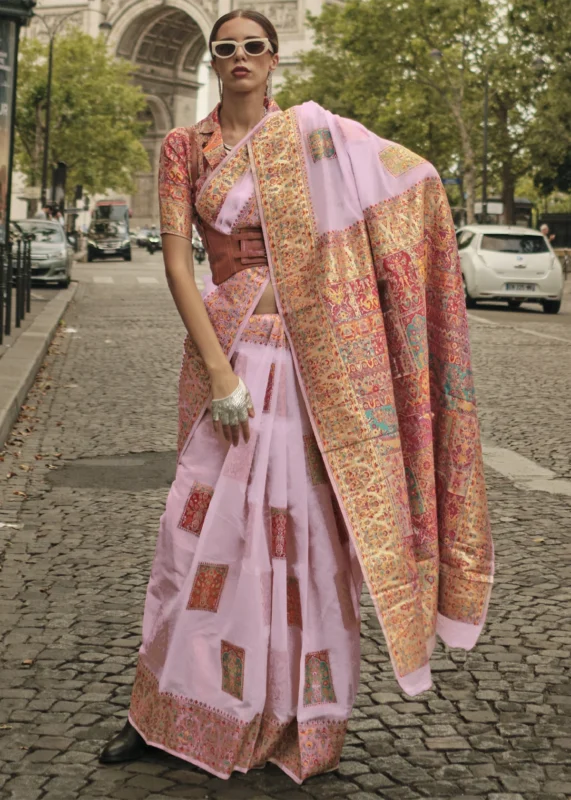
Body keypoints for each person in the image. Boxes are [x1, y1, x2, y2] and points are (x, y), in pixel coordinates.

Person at [100, 8, 494, 783]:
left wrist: (427, 198)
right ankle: (161, 711)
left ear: (274, 59)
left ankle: (288, 720)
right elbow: (180, 268)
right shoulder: (184, 146)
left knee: (303, 546)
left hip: (312, 371)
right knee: (195, 542)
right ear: (211, 62)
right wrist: (219, 375)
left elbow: (406, 184)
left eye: (253, 47)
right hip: (233, 358)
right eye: (226, 49)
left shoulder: (317, 141)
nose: (239, 57)